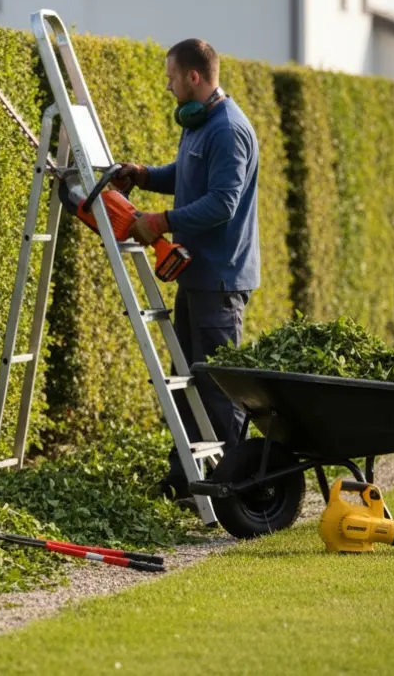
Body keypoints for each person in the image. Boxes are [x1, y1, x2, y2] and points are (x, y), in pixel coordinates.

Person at [114, 37, 261, 500]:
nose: (168, 86)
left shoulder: (228, 129)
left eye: (172, 77)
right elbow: (186, 175)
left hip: (220, 280)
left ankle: (241, 490)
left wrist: (162, 221)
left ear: (193, 76)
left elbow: (222, 202)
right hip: (195, 277)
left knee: (218, 389)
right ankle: (187, 481)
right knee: (187, 384)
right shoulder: (199, 125)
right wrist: (144, 176)